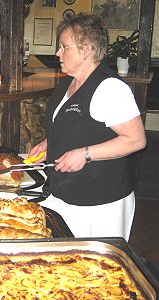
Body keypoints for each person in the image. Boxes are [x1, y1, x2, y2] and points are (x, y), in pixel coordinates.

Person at [28, 13, 146, 241]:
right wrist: (48, 143)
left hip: (102, 203)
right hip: (67, 194)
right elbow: (70, 127)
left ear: (87, 49)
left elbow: (136, 140)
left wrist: (86, 154)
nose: (57, 53)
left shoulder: (110, 88)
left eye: (64, 47)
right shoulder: (65, 85)